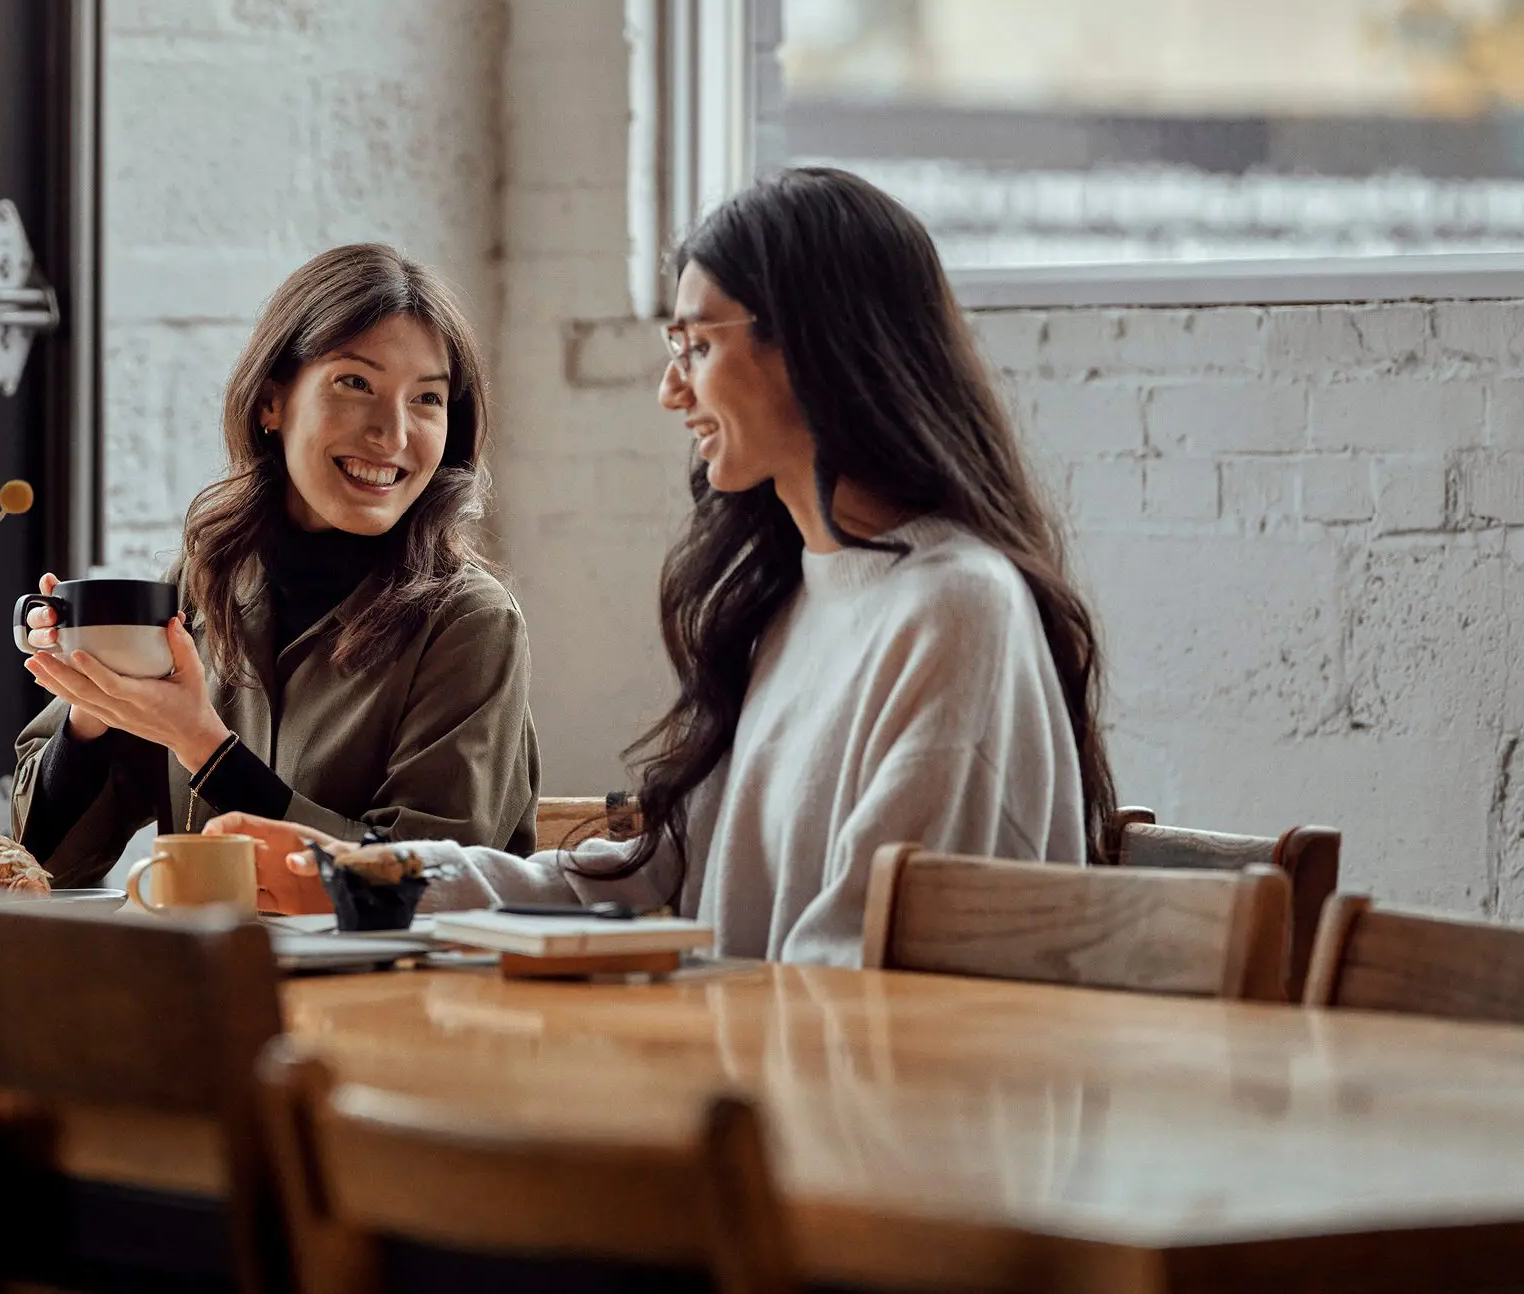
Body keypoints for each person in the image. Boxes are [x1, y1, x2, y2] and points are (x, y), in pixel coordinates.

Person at [213, 168, 1114, 965]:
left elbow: (861, 973)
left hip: (870, 1137)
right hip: (763, 1098)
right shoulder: (792, 604)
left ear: (818, 350)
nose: (669, 389)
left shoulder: (954, 609)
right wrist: (345, 876)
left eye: (697, 346)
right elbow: (639, 883)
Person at [10, 243, 540, 893]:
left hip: (405, 992)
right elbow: (45, 867)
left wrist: (205, 747)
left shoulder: (469, 624)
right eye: (356, 384)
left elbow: (427, 884)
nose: (394, 433)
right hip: (209, 979)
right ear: (271, 403)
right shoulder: (200, 588)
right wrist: (95, 706)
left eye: (427, 399)